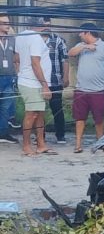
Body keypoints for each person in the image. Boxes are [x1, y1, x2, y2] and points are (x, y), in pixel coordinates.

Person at [67, 23, 104, 152]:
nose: (79, 35)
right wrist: (85, 47)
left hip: (98, 90)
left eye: (81, 32)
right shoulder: (81, 46)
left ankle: (101, 141)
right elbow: (71, 53)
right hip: (81, 89)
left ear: (88, 32)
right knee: (79, 117)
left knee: (99, 117)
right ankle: (78, 144)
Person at [14, 19, 54, 156]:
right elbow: (35, 63)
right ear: (41, 25)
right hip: (33, 82)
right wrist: (45, 85)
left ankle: (41, 143)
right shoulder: (36, 38)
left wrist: (20, 73)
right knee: (32, 113)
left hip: (29, 80)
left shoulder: (21, 36)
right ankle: (26, 145)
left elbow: (17, 58)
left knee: (40, 114)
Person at [41, 17, 70, 144]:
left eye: (49, 24)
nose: (47, 27)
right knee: (39, 110)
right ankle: (40, 136)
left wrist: (66, 77)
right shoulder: (34, 40)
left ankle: (60, 135)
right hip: (39, 81)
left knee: (57, 109)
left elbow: (65, 59)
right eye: (44, 25)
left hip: (55, 80)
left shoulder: (58, 40)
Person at [0, 12, 18, 144]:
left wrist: (16, 72)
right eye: (4, 23)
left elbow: (17, 57)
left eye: (8, 22)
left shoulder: (12, 39)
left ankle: (3, 133)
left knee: (6, 106)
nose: (8, 25)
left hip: (9, 77)